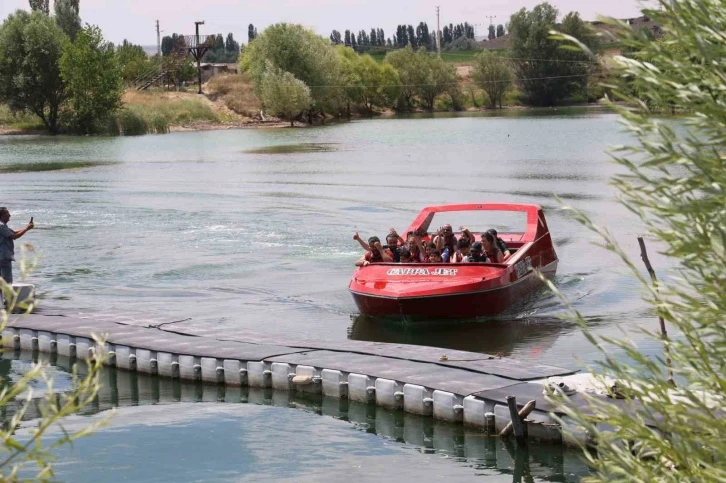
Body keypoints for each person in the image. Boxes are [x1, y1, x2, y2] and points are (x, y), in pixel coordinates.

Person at [0, 207, 34, 286]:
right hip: (3, 257)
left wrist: (27, 227)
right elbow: (14, 236)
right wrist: (27, 228)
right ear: (2, 216)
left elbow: (13, 232)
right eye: (8, 215)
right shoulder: (1, 226)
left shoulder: (3, 226)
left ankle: (2, 297)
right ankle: (6, 298)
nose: (10, 216)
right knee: (7, 281)